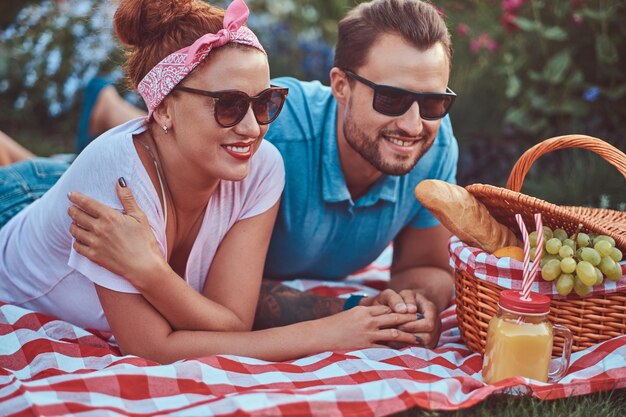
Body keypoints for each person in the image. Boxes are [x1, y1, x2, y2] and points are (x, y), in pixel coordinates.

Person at [10, 0, 458, 349]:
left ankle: (95, 114)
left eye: (266, 104)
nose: (254, 127)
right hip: (29, 201)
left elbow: (232, 320)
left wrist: (413, 301)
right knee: (52, 175)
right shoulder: (269, 138)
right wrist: (335, 326)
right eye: (229, 105)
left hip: (111, 186)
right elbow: (154, 345)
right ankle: (98, 115)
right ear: (339, 85)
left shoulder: (262, 162)